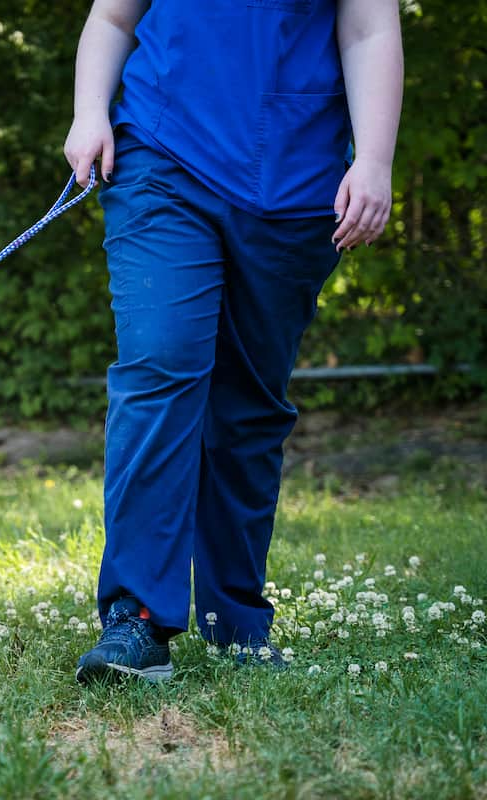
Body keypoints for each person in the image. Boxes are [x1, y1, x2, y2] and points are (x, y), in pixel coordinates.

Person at [63, 0, 403, 683]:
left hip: (297, 180)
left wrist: (374, 160)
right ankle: (137, 619)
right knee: (161, 364)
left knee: (248, 403)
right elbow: (111, 19)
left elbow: (369, 29)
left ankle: (235, 621)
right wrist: (89, 111)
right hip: (163, 159)